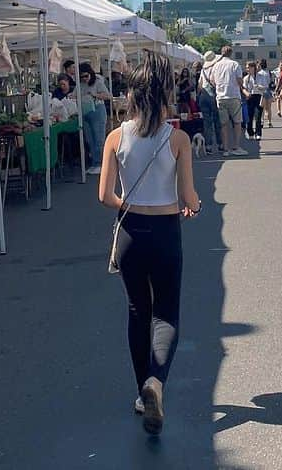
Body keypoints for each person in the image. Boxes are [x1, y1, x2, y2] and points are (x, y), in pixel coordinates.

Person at [98, 51, 201, 436]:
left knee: (137, 311)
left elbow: (105, 194)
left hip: (129, 232)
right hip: (165, 231)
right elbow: (188, 196)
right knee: (167, 313)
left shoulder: (115, 136)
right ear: (164, 95)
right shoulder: (177, 139)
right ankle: (157, 381)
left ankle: (143, 392)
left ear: (132, 95)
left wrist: (132, 206)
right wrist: (192, 205)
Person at [210, 46, 247, 156]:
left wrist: (219, 87)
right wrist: (243, 88)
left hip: (221, 97)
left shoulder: (216, 66)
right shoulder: (235, 64)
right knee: (237, 122)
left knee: (224, 124)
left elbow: (212, 81)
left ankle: (225, 148)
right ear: (231, 53)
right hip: (234, 95)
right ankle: (236, 146)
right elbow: (240, 80)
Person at [79, 62, 112, 175]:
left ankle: (101, 164)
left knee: (99, 139)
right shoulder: (81, 84)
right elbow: (74, 94)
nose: (84, 79)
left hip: (98, 111)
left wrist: (95, 95)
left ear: (91, 74)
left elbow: (108, 96)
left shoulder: (98, 82)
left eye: (86, 76)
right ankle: (95, 163)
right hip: (85, 112)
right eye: (81, 77)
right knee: (90, 140)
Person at [197, 51, 223, 154]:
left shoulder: (203, 70)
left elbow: (199, 85)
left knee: (207, 123)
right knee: (217, 121)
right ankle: (220, 144)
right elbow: (215, 82)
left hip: (203, 96)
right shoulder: (215, 68)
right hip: (213, 96)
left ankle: (208, 146)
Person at [243, 61, 266, 140]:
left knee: (258, 116)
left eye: (248, 67)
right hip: (250, 97)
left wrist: (259, 87)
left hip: (259, 96)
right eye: (246, 68)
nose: (247, 69)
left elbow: (265, 87)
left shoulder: (260, 76)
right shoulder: (246, 78)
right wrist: (246, 94)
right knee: (249, 116)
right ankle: (250, 132)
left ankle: (258, 133)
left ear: (253, 68)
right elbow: (244, 88)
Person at [258, 58, 274, 128]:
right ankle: (269, 122)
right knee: (269, 108)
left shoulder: (259, 73)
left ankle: (262, 121)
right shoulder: (269, 72)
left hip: (262, 91)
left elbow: (258, 83)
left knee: (262, 108)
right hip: (268, 90)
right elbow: (271, 82)